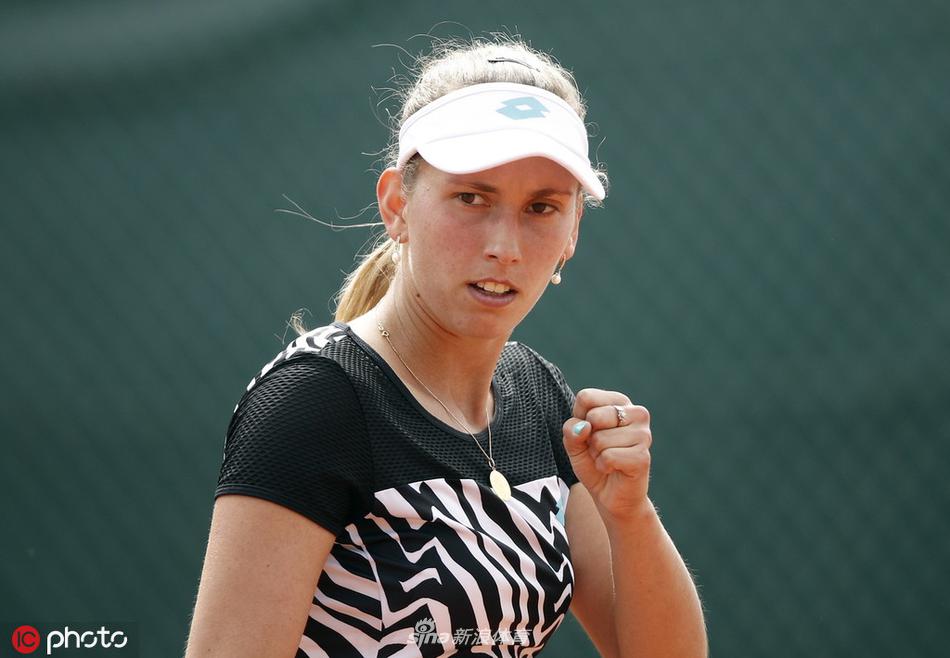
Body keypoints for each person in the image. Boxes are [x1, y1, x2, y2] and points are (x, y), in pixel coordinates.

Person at [184, 35, 707, 658]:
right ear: (397, 204)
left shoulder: (540, 397)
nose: (504, 247)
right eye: (471, 198)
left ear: (573, 231)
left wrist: (629, 513)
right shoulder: (311, 402)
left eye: (542, 207)